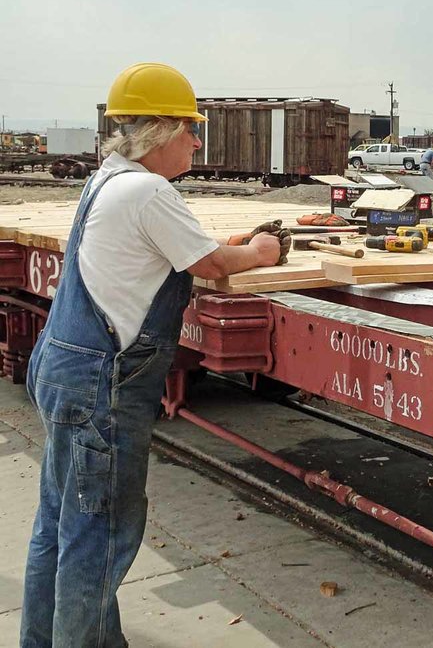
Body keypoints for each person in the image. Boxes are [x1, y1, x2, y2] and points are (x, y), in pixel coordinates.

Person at [21, 62, 284, 648]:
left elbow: (183, 251)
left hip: (65, 368)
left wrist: (228, 245)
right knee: (99, 535)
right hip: (102, 387)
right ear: (159, 132)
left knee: (60, 529)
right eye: (192, 128)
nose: (197, 139)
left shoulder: (108, 180)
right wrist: (263, 251)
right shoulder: (149, 191)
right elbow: (211, 266)